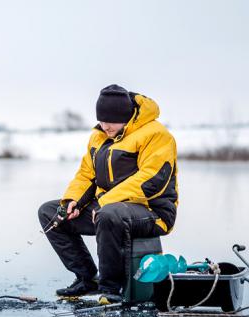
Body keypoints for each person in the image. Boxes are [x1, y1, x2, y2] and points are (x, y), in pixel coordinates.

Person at [37, 84, 178, 304]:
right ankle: (86, 278)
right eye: (101, 120)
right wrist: (73, 201)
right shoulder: (99, 136)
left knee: (108, 213)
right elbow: (86, 175)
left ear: (126, 116)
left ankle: (111, 287)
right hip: (108, 209)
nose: (105, 126)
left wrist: (105, 202)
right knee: (50, 213)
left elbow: (152, 179)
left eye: (110, 121)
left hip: (153, 211)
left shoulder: (156, 135)